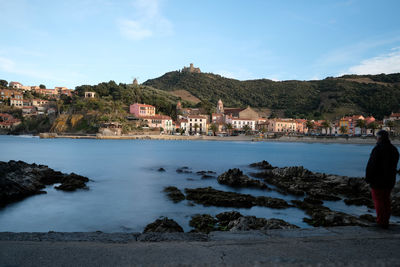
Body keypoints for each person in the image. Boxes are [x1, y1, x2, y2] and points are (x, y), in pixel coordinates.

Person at [366, 130, 399, 229]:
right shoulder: (394, 149)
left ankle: (381, 222)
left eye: (376, 136)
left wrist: (368, 178)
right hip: (390, 180)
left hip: (378, 180)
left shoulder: (378, 149)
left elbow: (372, 165)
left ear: (379, 137)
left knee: (378, 201)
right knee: (386, 200)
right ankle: (385, 221)